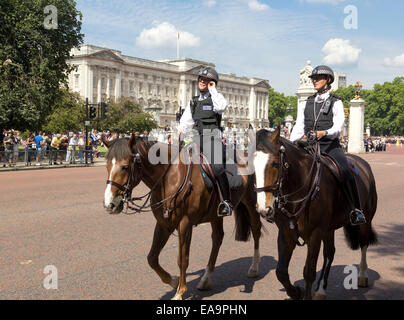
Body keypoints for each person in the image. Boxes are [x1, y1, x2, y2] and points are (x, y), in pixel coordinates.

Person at [290, 65, 366, 226]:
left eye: (318, 78)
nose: (315, 81)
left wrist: (323, 133)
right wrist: (291, 144)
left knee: (345, 169)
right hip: (308, 145)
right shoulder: (307, 102)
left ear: (328, 80)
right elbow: (299, 125)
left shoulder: (336, 101)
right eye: (313, 78)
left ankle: (356, 209)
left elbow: (338, 127)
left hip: (329, 145)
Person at [178, 66, 232, 217]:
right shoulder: (193, 102)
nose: (202, 81)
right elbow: (186, 121)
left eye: (206, 80)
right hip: (195, 138)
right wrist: (181, 131)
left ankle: (226, 202)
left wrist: (213, 90)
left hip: (212, 138)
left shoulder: (216, 98)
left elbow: (221, 107)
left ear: (212, 83)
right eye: (201, 79)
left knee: (217, 167)